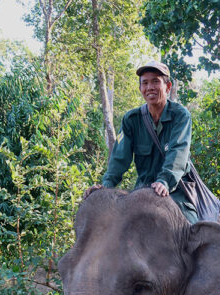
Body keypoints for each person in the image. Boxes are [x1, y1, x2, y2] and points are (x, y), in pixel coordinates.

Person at [84, 60, 198, 224]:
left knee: (190, 230)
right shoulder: (131, 119)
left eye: (155, 81)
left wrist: (164, 181)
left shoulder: (180, 116)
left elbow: (178, 153)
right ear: (140, 89)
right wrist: (107, 185)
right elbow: (119, 157)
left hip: (175, 190)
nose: (150, 87)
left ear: (168, 87)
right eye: (145, 83)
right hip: (143, 189)